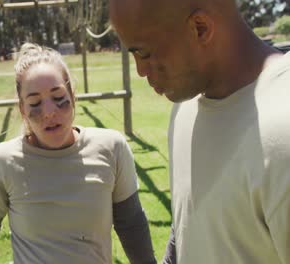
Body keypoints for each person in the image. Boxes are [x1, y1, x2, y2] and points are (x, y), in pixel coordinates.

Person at [109, 0, 290, 263]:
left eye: (145, 53)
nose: (140, 70)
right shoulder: (187, 106)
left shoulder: (282, 135)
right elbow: (188, 229)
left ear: (201, 28)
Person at [0, 43, 157, 264]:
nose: (49, 112)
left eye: (58, 96)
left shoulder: (112, 148)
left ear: (72, 96)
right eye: (35, 102)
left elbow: (130, 223)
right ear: (23, 110)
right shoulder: (1, 163)